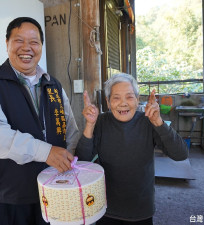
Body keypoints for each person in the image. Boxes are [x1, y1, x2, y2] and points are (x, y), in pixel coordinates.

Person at [0, 17, 79, 225]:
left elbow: (70, 130)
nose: (27, 48)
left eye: (34, 42)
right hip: (10, 197)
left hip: (52, 191)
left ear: (41, 47)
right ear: (7, 44)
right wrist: (46, 152)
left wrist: (68, 161)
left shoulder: (53, 84)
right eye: (19, 40)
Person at [75, 73, 188, 225]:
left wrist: (159, 122)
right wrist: (89, 125)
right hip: (106, 207)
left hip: (140, 209)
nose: (123, 103)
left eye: (129, 97)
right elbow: (82, 162)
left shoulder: (148, 122)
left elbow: (180, 154)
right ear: (108, 102)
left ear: (137, 99)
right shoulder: (101, 121)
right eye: (116, 98)